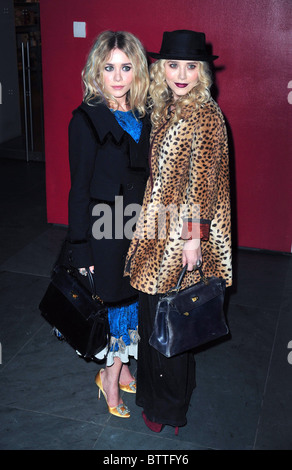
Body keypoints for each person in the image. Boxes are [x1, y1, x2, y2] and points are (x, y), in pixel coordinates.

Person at [124, 30, 232, 432]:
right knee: (155, 318)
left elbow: (202, 183)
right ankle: (153, 397)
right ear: (161, 69)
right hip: (158, 225)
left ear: (201, 70)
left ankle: (169, 409)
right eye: (173, 65)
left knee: (173, 323)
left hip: (180, 233)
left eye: (190, 66)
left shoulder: (205, 113)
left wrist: (192, 239)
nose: (181, 73)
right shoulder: (168, 106)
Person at [66, 30, 150, 418]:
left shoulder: (142, 114)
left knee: (133, 302)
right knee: (117, 307)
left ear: (138, 71)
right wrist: (81, 248)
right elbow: (78, 188)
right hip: (105, 229)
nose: (117, 77)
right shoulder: (85, 119)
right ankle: (109, 379)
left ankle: (125, 367)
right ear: (96, 72)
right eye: (109, 67)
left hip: (138, 226)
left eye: (126, 67)